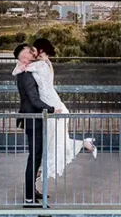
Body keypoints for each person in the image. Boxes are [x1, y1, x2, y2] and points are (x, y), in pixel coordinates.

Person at [15, 37, 96, 181]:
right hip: (55, 104)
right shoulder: (47, 63)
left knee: (53, 142)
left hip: (52, 107)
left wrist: (21, 61)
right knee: (55, 141)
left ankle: (39, 173)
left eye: (33, 49)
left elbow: (18, 71)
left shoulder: (39, 65)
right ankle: (83, 144)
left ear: (40, 50)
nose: (32, 53)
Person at [13, 43, 55, 206]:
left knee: (37, 157)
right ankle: (29, 198)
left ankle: (32, 191)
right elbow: (33, 99)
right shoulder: (26, 75)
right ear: (22, 56)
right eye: (28, 52)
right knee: (34, 157)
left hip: (35, 119)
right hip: (33, 120)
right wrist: (52, 109)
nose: (32, 53)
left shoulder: (26, 72)